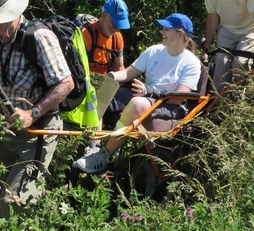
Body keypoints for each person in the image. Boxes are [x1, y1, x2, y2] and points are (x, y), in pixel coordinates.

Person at [0, 0, 74, 218]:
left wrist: (32, 113)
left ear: (10, 16)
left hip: (38, 130)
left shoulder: (39, 37)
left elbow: (66, 84)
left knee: (15, 203)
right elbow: (10, 83)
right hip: (10, 130)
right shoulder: (5, 38)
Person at [72, 13, 201, 174]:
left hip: (169, 108)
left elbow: (178, 98)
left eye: (167, 29)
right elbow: (127, 73)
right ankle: (93, 145)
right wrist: (108, 78)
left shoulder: (192, 63)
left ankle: (104, 156)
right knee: (98, 91)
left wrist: (150, 91)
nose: (162, 32)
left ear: (180, 34)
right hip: (145, 99)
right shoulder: (154, 50)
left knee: (137, 103)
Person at [79, 0, 130, 127]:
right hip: (83, 81)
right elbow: (76, 69)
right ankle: (94, 143)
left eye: (120, 26)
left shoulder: (117, 38)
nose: (117, 30)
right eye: (114, 25)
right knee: (96, 101)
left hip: (105, 81)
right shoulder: (87, 34)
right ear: (103, 16)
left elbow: (120, 69)